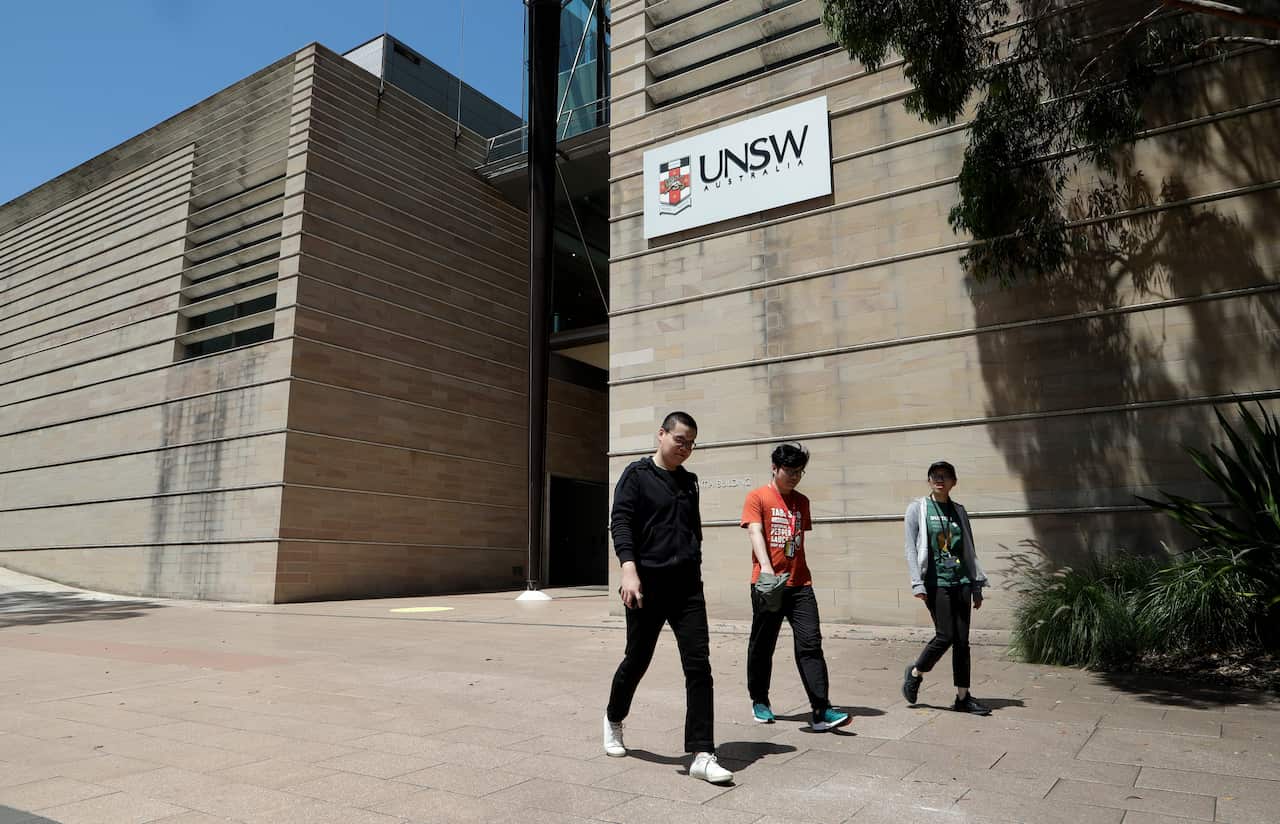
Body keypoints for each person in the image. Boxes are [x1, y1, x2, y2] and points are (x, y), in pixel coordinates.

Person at [602, 411, 732, 784]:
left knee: (698, 665)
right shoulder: (637, 476)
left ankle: (702, 752)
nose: (685, 448)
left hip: (688, 587)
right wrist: (629, 570)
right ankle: (613, 718)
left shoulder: (689, 482)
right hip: (646, 585)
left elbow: (693, 532)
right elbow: (621, 521)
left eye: (691, 443)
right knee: (637, 658)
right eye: (680, 440)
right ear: (661, 435)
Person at [740, 443, 851, 731]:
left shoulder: (802, 501)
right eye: (789, 471)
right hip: (768, 584)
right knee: (763, 644)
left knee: (811, 642)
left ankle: (820, 709)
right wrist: (765, 566)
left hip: (800, 583)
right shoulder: (757, 497)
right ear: (774, 468)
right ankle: (760, 700)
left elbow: (797, 540)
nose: (794, 477)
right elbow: (755, 530)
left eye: (799, 472)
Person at [901, 460, 991, 715]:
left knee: (962, 641)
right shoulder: (917, 509)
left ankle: (963, 697)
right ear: (929, 480)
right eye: (935, 476)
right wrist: (916, 581)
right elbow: (910, 547)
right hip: (935, 582)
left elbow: (968, 549)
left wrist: (976, 585)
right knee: (946, 635)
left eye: (945, 476)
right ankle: (916, 672)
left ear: (954, 482)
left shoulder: (959, 511)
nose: (940, 479)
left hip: (960, 581)